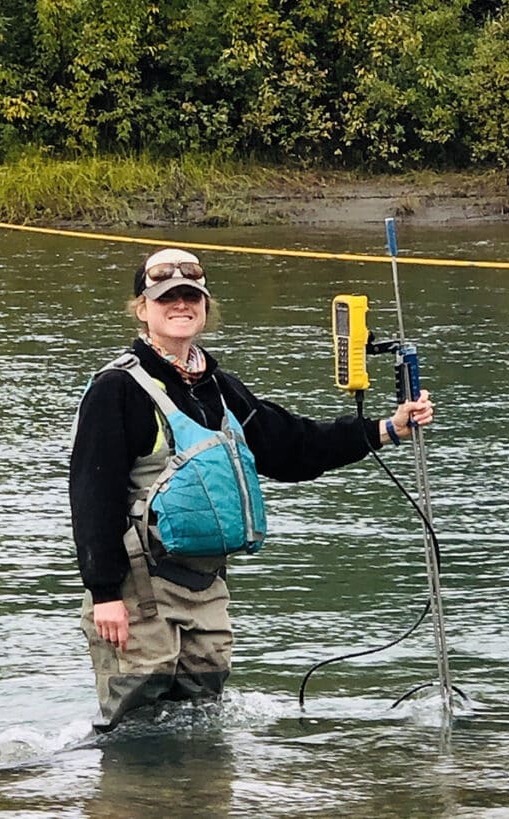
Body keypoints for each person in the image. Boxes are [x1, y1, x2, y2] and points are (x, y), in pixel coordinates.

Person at [69, 248, 434, 731]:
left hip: (206, 586)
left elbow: (292, 447)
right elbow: (92, 495)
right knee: (134, 732)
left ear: (204, 306)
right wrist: (104, 594)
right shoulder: (115, 389)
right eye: (166, 298)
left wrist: (387, 428)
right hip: (138, 592)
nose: (181, 306)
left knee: (202, 725)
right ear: (142, 309)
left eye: (190, 296)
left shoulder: (221, 387)